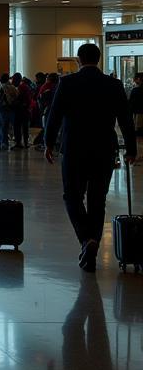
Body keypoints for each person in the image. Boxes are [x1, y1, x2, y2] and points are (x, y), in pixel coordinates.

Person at [44, 42, 137, 272]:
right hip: (104, 150)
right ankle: (92, 240)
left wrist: (48, 142)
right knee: (98, 199)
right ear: (98, 59)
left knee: (72, 196)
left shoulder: (67, 83)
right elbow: (125, 119)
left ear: (78, 59)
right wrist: (132, 149)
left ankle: (87, 239)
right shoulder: (113, 85)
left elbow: (54, 116)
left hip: (74, 149)